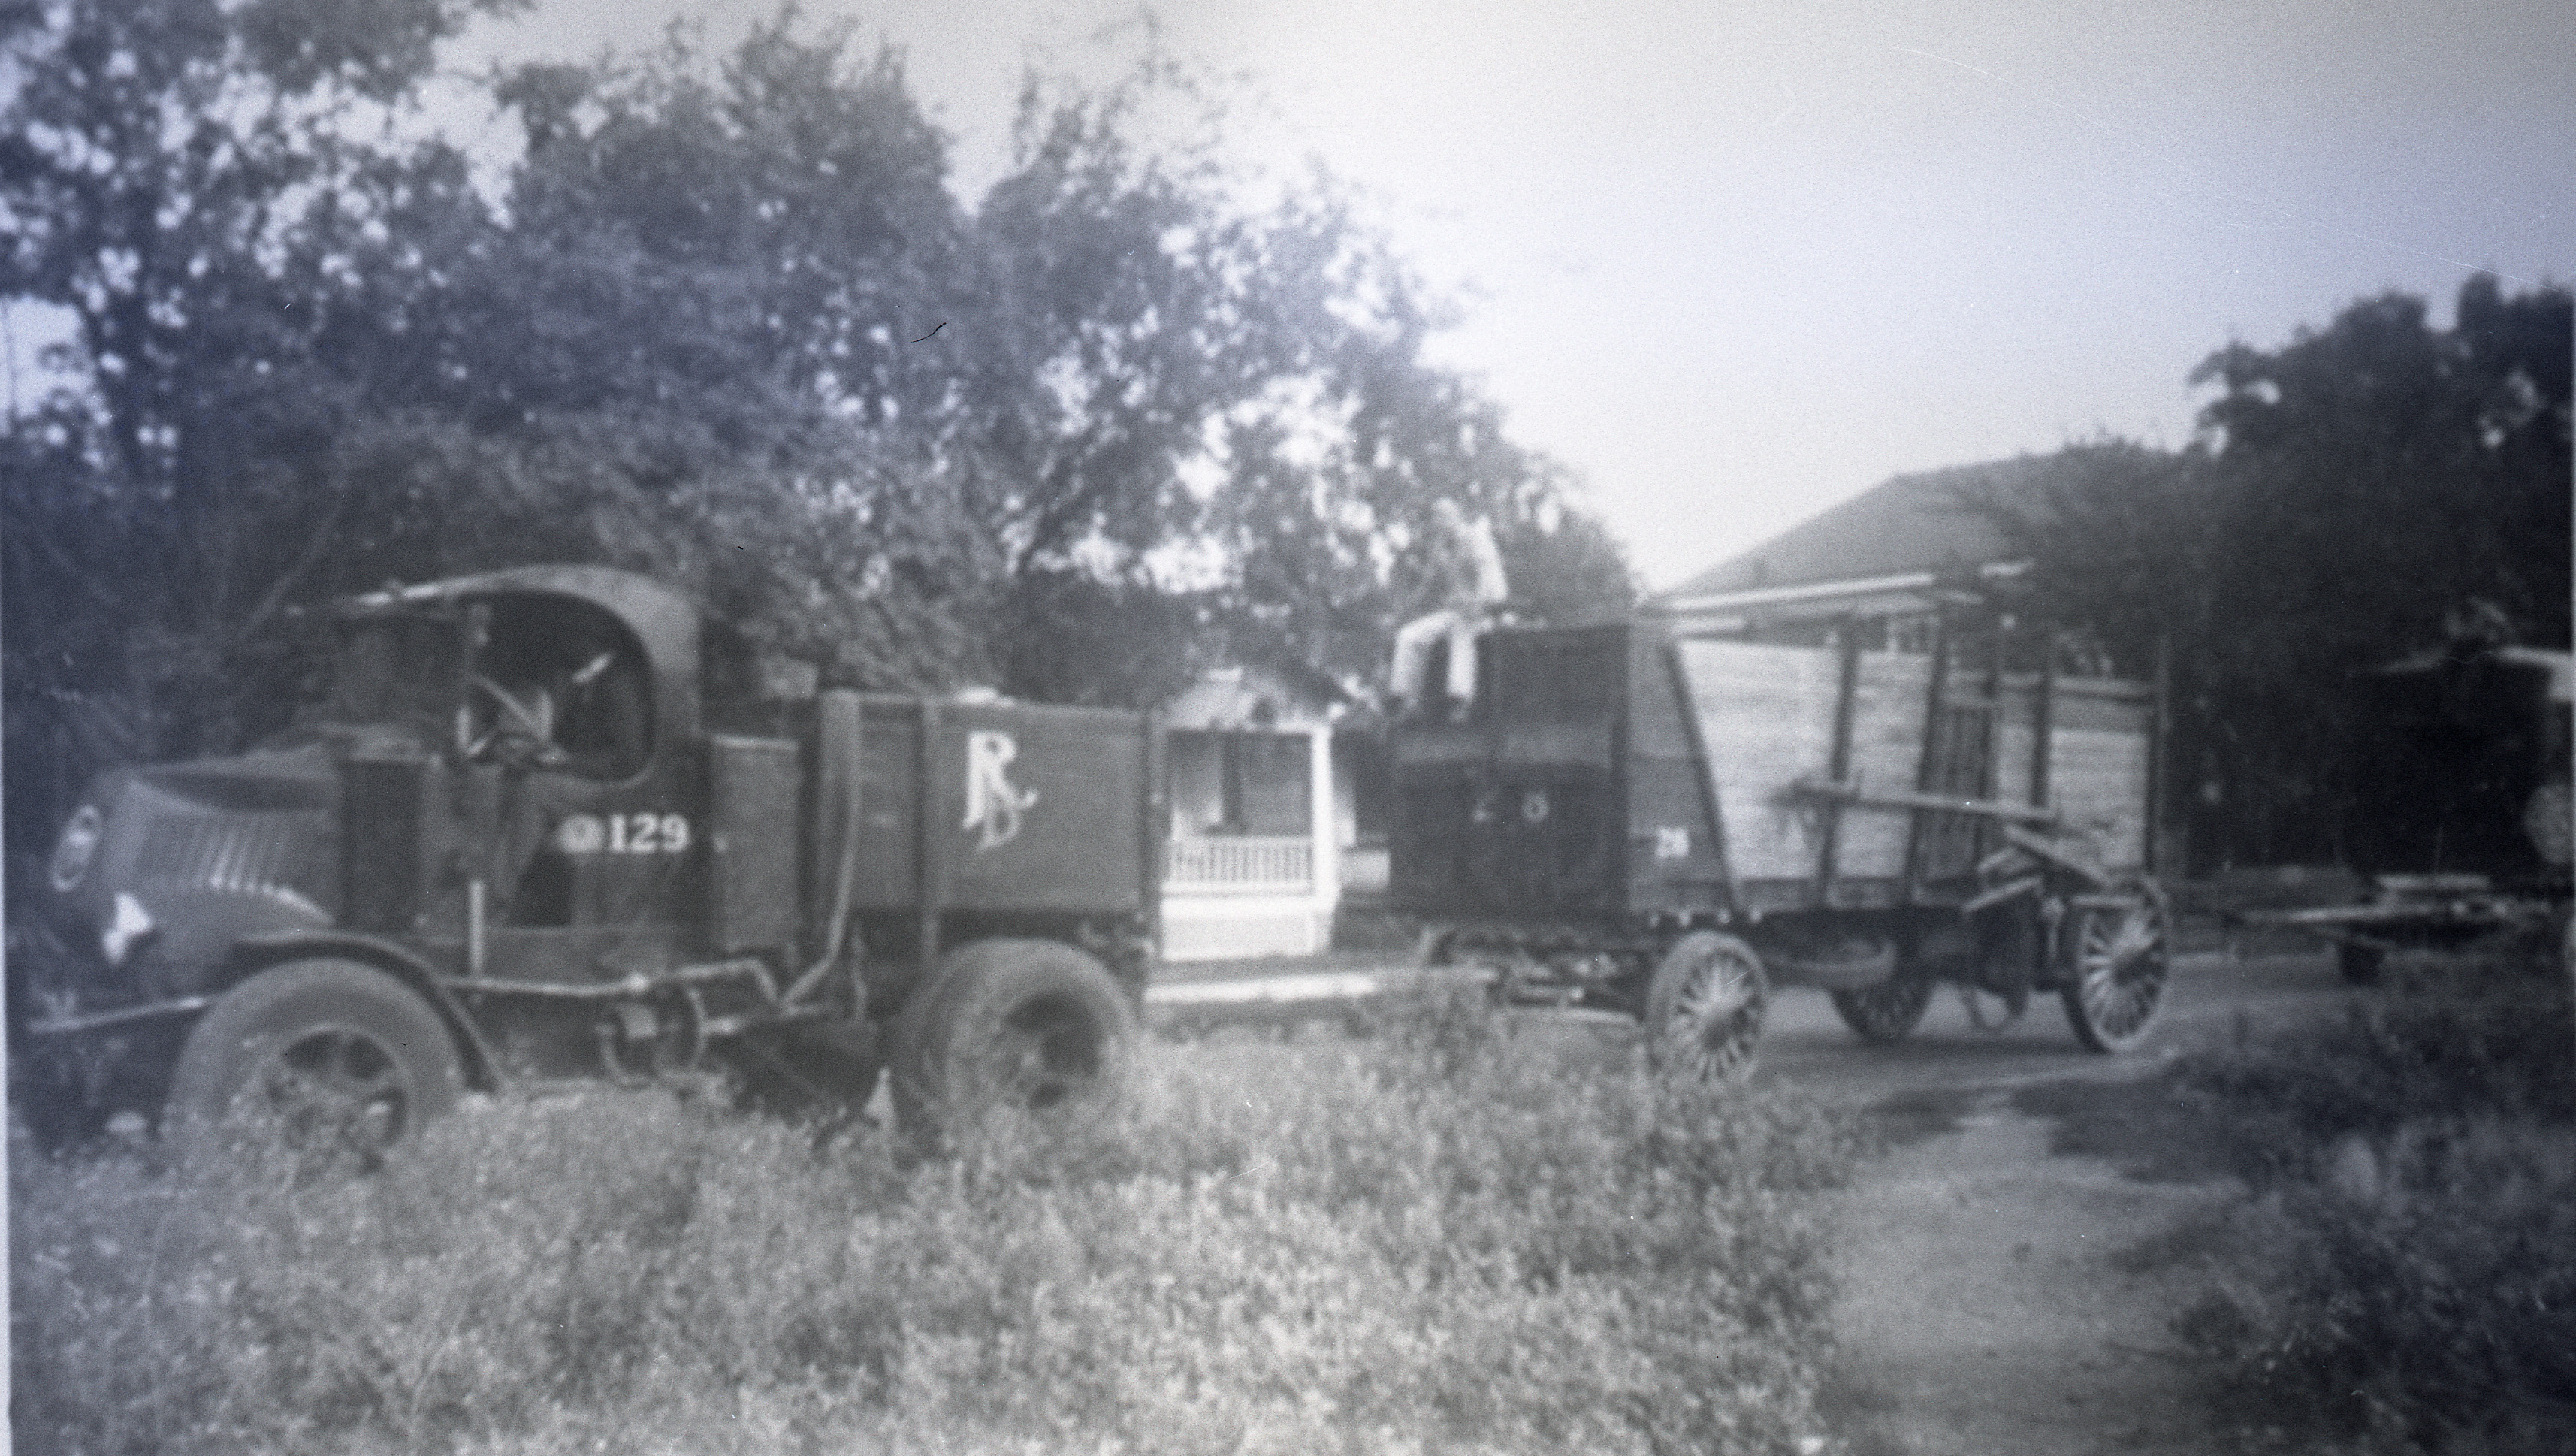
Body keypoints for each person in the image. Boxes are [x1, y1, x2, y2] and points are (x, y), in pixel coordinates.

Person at [1390, 499, 1510, 720]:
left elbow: (1489, 577)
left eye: (1445, 516)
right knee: (1408, 636)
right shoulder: (1440, 547)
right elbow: (1428, 583)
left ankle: (1461, 703)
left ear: (1457, 516)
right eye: (1436, 518)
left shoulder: (1475, 537)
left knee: (1461, 632)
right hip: (1459, 612)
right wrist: (1402, 613)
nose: (1440, 522)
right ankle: (1407, 700)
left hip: (1490, 611)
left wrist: (1479, 605)